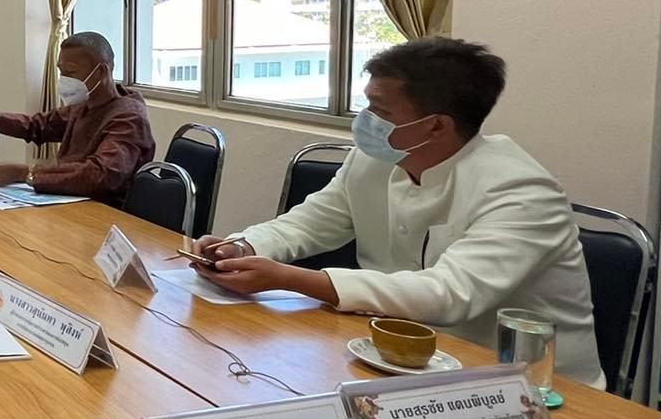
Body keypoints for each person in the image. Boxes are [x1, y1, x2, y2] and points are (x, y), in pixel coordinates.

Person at [195, 37, 601, 383]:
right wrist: (243, 247)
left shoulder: (521, 189)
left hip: (527, 385)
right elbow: (310, 222)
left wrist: (290, 279)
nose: (365, 120)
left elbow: (448, 293)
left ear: (437, 125)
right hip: (400, 358)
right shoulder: (374, 159)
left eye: (381, 111)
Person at [0, 31, 154, 203]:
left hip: (102, 210)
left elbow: (101, 175)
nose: (64, 80)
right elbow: (40, 125)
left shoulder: (128, 118)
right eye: (61, 72)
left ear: (101, 71)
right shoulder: (84, 105)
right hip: (67, 199)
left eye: (70, 72)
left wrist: (27, 174)